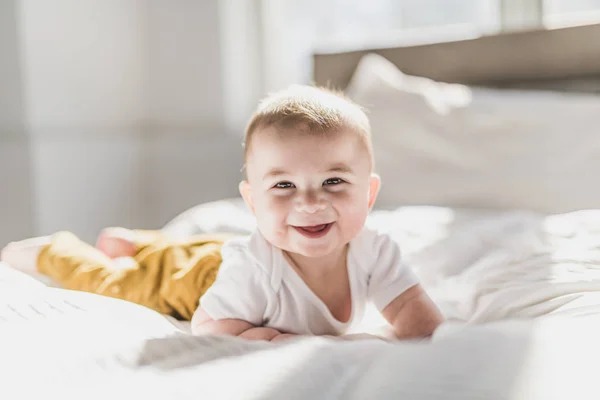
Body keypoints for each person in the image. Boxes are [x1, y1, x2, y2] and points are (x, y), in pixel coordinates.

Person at [1, 85, 444, 341]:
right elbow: (209, 327)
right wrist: (267, 339)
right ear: (252, 202)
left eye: (333, 182)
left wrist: (427, 343)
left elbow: (412, 309)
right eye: (284, 186)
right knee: (124, 282)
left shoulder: (376, 250)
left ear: (368, 195)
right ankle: (56, 250)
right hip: (202, 280)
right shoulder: (252, 271)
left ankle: (141, 242)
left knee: (198, 249)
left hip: (227, 254)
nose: (310, 203)